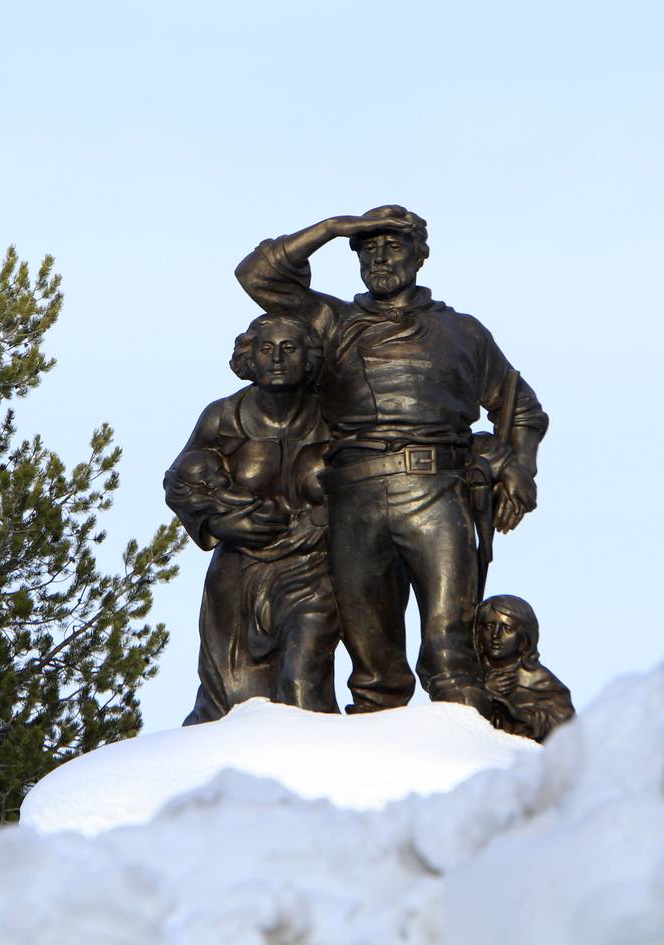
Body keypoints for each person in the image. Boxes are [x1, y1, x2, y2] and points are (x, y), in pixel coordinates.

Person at [235, 206, 548, 716]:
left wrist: (519, 468)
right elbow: (257, 274)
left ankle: (468, 762)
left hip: (437, 494)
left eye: (393, 246)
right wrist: (338, 227)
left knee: (450, 648)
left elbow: (522, 410)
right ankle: (375, 771)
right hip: (354, 498)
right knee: (372, 661)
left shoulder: (464, 333)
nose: (380, 257)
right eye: (368, 248)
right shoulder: (332, 323)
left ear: (421, 255)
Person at [164, 313, 341, 724]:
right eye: (266, 349)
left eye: (289, 348)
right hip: (238, 574)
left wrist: (326, 518)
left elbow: (366, 483)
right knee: (229, 705)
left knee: (303, 683)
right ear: (250, 358)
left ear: (309, 357)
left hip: (311, 570)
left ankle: (315, 775)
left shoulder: (335, 417)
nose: (277, 358)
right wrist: (218, 523)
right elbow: (179, 483)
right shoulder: (222, 417)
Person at [473, 595, 574, 742]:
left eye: (507, 628)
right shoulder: (470, 670)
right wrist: (483, 691)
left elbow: (568, 728)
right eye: (489, 626)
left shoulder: (539, 680)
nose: (496, 635)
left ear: (523, 637)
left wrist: (520, 716)